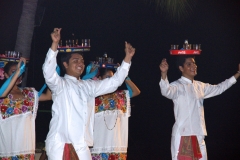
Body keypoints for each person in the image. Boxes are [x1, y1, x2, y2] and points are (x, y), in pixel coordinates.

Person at [42, 28, 135, 160]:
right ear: (65, 64)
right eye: (75, 61)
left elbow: (114, 82)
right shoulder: (60, 84)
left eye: (82, 61)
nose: (80, 64)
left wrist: (127, 59)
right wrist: (54, 45)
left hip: (81, 143)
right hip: (60, 142)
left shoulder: (88, 86)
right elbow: (48, 72)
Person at [159, 56, 240, 160]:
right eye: (189, 64)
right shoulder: (177, 86)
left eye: (194, 63)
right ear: (181, 68)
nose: (193, 66)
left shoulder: (200, 86)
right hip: (183, 135)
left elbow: (220, 88)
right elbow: (166, 91)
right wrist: (164, 74)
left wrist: (238, 73)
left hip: (199, 135)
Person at [0, 58, 52, 159]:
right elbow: (2, 93)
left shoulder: (29, 93)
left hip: (27, 149)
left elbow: (48, 96)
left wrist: (51, 75)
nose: (18, 75)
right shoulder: (2, 95)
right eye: (13, 72)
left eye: (20, 72)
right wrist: (18, 71)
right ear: (5, 75)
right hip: (8, 150)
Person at [85, 67, 140, 160]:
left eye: (112, 77)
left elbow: (136, 91)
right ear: (99, 78)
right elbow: (81, 86)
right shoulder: (93, 95)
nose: (110, 80)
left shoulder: (120, 95)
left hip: (115, 145)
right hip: (98, 144)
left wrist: (124, 75)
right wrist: (90, 74)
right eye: (107, 77)